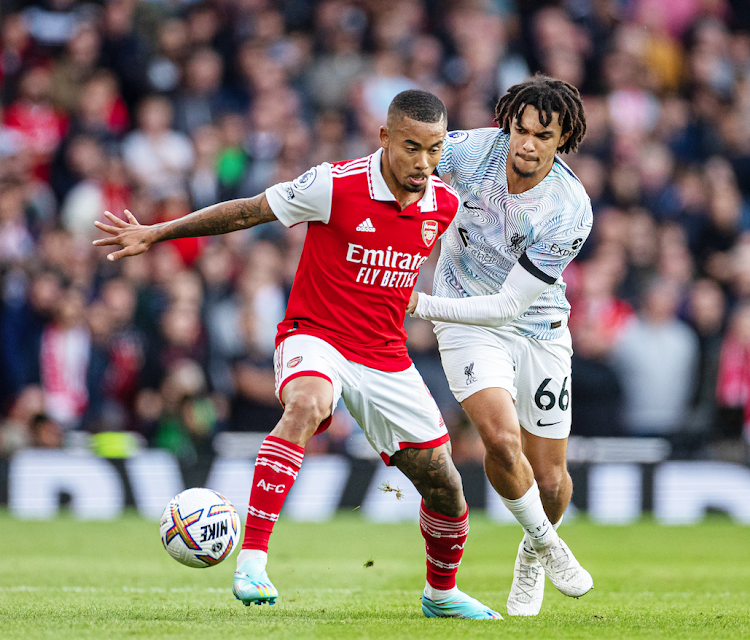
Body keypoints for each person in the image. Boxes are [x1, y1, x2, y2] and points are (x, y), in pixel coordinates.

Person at [93, 90, 502, 620]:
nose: (423, 162)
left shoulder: (443, 204)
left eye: (434, 149)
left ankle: (441, 594)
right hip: (316, 336)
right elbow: (247, 211)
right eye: (411, 148)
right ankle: (253, 560)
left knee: (445, 485)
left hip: (385, 355)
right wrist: (159, 232)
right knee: (308, 403)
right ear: (384, 138)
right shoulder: (334, 183)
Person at [406, 75, 594, 616]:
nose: (527, 144)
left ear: (564, 139)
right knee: (500, 439)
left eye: (543, 135)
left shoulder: (569, 208)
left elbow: (509, 307)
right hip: (464, 318)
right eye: (520, 129)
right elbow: (401, 171)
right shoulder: (468, 152)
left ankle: (533, 554)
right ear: (507, 124)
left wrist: (418, 304)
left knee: (552, 480)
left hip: (536, 326)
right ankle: (554, 549)